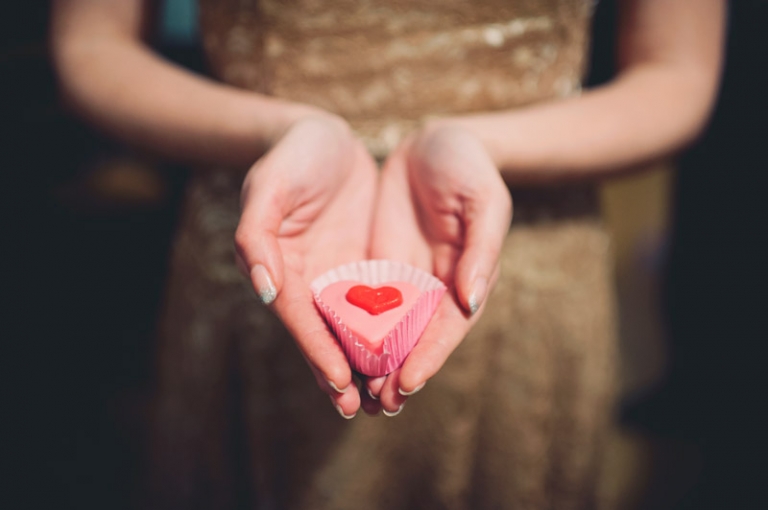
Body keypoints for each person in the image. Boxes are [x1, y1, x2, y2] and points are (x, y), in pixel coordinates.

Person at [51, 0, 724, 508]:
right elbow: (91, 44)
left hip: (496, 252)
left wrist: (480, 143)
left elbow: (678, 74)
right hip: (274, 234)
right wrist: (282, 128)